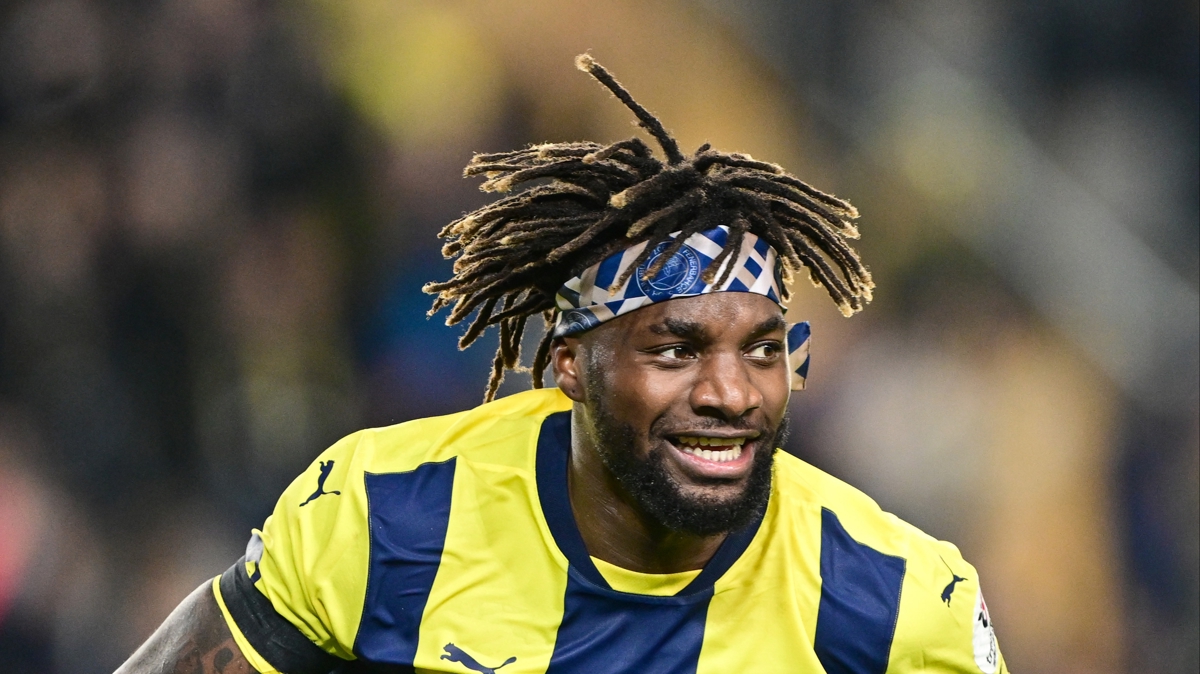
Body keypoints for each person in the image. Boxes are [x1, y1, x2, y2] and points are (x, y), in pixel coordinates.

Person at [116, 55, 1007, 674]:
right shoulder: (385, 516)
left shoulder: (896, 601)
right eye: (677, 349)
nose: (730, 393)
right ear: (569, 363)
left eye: (762, 351)